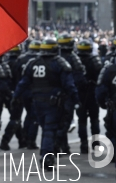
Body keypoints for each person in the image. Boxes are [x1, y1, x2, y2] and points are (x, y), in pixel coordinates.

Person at [13, 38, 79, 169]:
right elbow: (69, 85)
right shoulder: (59, 63)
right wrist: (76, 100)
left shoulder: (33, 63)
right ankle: (47, 157)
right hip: (53, 103)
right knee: (49, 130)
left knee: (45, 129)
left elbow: (23, 83)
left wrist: (15, 97)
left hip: (37, 103)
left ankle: (48, 151)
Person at [56, 33, 86, 153]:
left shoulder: (55, 57)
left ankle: (64, 146)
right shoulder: (73, 58)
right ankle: (57, 145)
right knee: (66, 121)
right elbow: (80, 78)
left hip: (55, 94)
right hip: (68, 94)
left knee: (59, 121)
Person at [75, 39, 102, 153]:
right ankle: (96, 144)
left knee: (82, 121)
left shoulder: (74, 60)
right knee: (94, 120)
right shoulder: (94, 60)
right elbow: (100, 76)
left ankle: (84, 145)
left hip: (79, 93)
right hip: (92, 93)